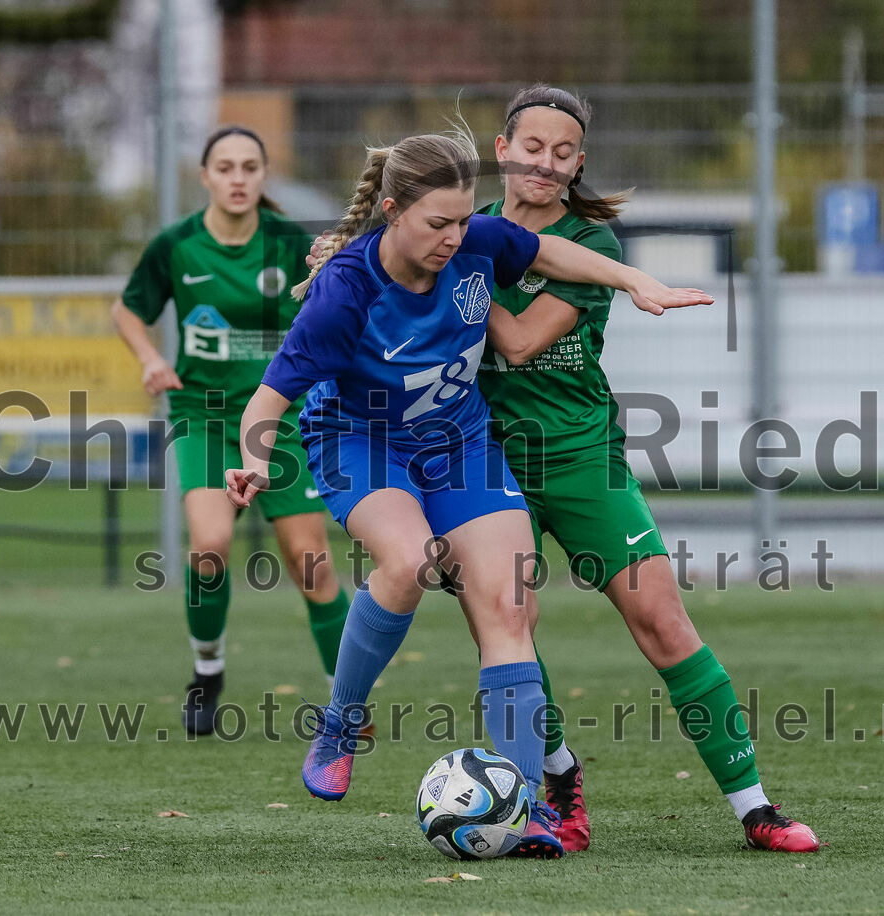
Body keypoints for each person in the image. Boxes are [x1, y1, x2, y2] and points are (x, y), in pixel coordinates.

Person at [226, 121, 712, 859]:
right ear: (391, 211)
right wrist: (254, 458)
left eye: (463, 219)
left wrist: (634, 279)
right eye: (437, 223)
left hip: (458, 440)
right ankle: (341, 721)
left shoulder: (479, 242)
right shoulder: (345, 289)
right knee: (409, 560)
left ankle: (516, 811)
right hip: (363, 440)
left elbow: (548, 249)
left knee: (511, 603)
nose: (456, 238)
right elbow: (268, 400)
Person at [475, 84, 820, 853]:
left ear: (580, 161)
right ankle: (556, 781)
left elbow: (522, 342)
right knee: (509, 626)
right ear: (501, 150)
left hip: (579, 456)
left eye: (565, 153)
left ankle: (754, 807)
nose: (548, 164)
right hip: (484, 461)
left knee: (663, 622)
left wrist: (451, 268)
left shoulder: (592, 246)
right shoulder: (456, 232)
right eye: (533, 147)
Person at [113, 126, 350, 736]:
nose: (238, 177)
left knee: (310, 560)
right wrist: (149, 358)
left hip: (282, 417)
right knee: (210, 546)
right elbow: (128, 309)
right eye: (226, 167)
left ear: (264, 175)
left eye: (250, 166)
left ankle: (346, 701)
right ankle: (207, 670)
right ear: (206, 177)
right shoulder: (177, 245)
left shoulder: (287, 242)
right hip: (206, 415)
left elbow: (331, 308)